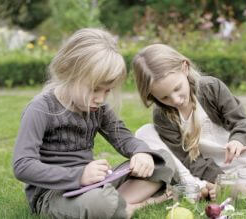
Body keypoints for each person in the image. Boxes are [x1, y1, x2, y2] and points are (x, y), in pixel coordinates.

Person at [12, 29, 175, 219]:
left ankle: (117, 206)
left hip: (95, 183)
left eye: (107, 91)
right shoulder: (41, 109)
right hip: (55, 193)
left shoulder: (99, 108)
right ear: (69, 73)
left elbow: (123, 137)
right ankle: (129, 205)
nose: (100, 98)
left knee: (161, 160)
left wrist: (141, 153)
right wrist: (78, 176)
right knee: (100, 202)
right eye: (95, 89)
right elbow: (22, 165)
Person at [132, 43, 246, 198]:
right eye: (164, 97)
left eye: (177, 88)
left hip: (234, 157)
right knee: (145, 132)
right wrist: (220, 179)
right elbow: (188, 159)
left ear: (185, 68)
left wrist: (238, 140)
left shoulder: (211, 87)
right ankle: (213, 186)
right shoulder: (162, 115)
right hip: (204, 167)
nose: (175, 100)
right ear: (153, 96)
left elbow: (242, 121)